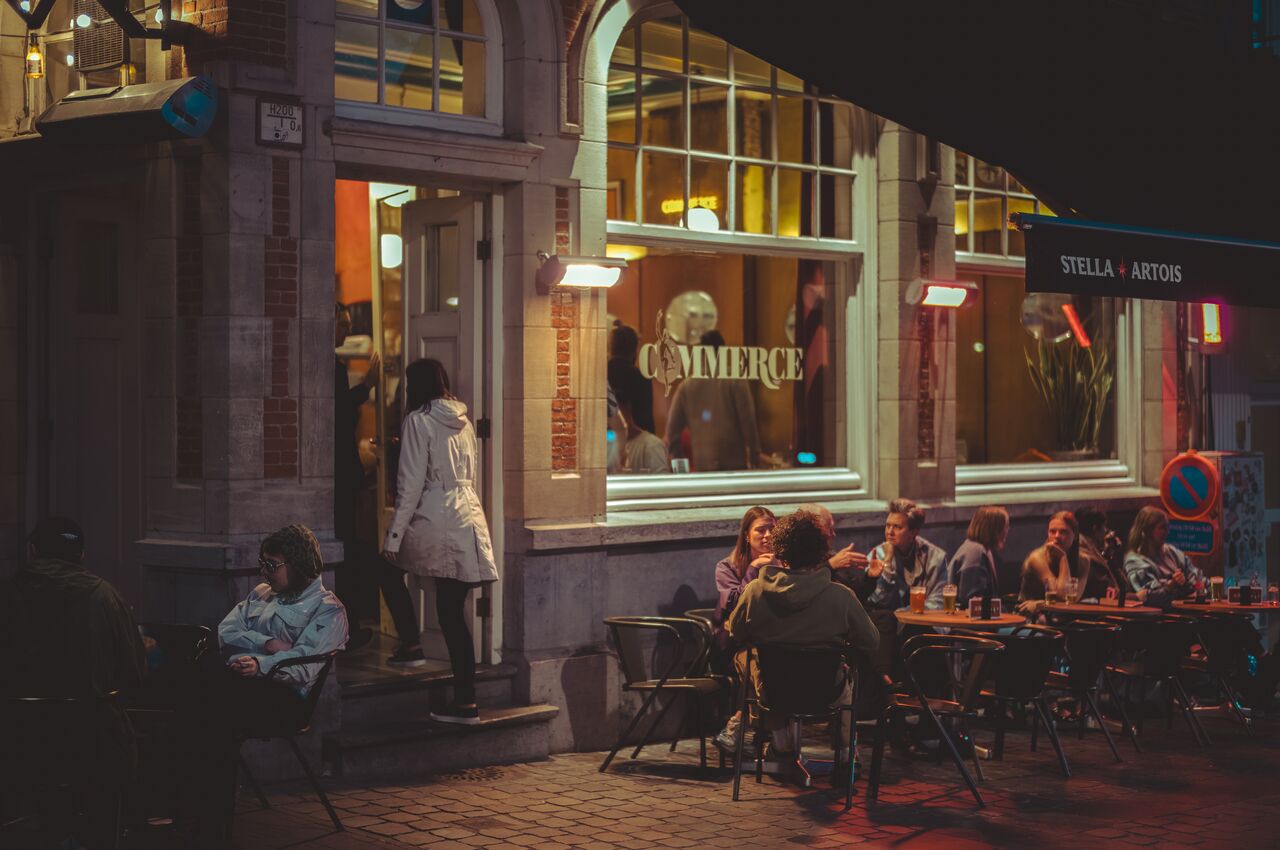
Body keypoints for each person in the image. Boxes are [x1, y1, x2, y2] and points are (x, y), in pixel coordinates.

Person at [0, 517, 145, 850]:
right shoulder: (105, 596)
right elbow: (134, 672)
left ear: (33, 551)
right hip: (92, 738)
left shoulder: (7, 594)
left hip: (17, 737)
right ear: (81, 555)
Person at [383, 358, 499, 725]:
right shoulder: (463, 421)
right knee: (454, 612)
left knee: (386, 568)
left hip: (436, 514)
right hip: (467, 515)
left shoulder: (418, 421)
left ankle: (414, 647)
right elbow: (472, 474)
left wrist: (395, 534)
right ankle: (464, 698)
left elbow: (411, 483)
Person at [726, 510, 879, 765]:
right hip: (826, 692)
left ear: (781, 550)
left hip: (774, 692)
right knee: (848, 676)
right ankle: (845, 753)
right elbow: (871, 641)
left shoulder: (755, 592)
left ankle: (779, 739)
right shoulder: (841, 596)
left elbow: (736, 633)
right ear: (821, 552)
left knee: (747, 660)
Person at [711, 506, 776, 749]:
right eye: (761, 530)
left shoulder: (784, 564)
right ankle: (774, 734)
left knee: (764, 658)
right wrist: (753, 570)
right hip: (732, 645)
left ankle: (737, 725)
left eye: (772, 530)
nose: (768, 535)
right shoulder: (727, 567)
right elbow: (734, 602)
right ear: (746, 535)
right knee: (759, 662)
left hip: (770, 641)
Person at [664, 330, 765, 472]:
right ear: (723, 352)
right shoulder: (735, 380)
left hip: (703, 466)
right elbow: (748, 423)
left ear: (701, 354)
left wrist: (681, 470)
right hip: (734, 466)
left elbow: (671, 433)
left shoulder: (687, 386)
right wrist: (755, 459)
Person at [1124, 505, 1206, 608]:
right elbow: (1151, 596)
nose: (1167, 532)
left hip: (1185, 611)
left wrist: (1176, 585)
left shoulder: (1171, 552)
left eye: (1167, 527)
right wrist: (1172, 585)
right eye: (1162, 528)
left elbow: (1196, 578)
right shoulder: (1134, 561)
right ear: (1147, 531)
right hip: (1160, 618)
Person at [1017, 511, 1089, 609]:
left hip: (1061, 617)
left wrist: (1041, 603)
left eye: (1063, 532)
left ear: (1075, 535)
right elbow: (1061, 595)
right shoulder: (1037, 558)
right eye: (1052, 531)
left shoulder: (1084, 560)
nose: (1057, 536)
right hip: (1030, 617)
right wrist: (1063, 558)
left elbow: (1072, 600)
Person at [951, 505, 1010, 607]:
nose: (1007, 530)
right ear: (994, 529)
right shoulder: (975, 553)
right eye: (1006, 526)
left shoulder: (980, 549)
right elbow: (971, 603)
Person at [607, 323, 655, 435]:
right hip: (634, 443)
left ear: (611, 348)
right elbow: (647, 424)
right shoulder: (641, 378)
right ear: (634, 350)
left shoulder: (599, 375)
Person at [797, 502, 869, 576]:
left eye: (833, 528)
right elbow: (804, 583)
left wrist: (870, 577)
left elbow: (852, 585)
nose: (833, 534)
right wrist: (831, 565)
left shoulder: (828, 553)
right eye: (829, 528)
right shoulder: (794, 557)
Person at [1075, 506, 1126, 599]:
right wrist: (1138, 597)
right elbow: (1114, 592)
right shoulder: (1087, 556)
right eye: (1104, 526)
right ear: (1095, 528)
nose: (1106, 530)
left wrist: (1107, 555)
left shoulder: (1088, 549)